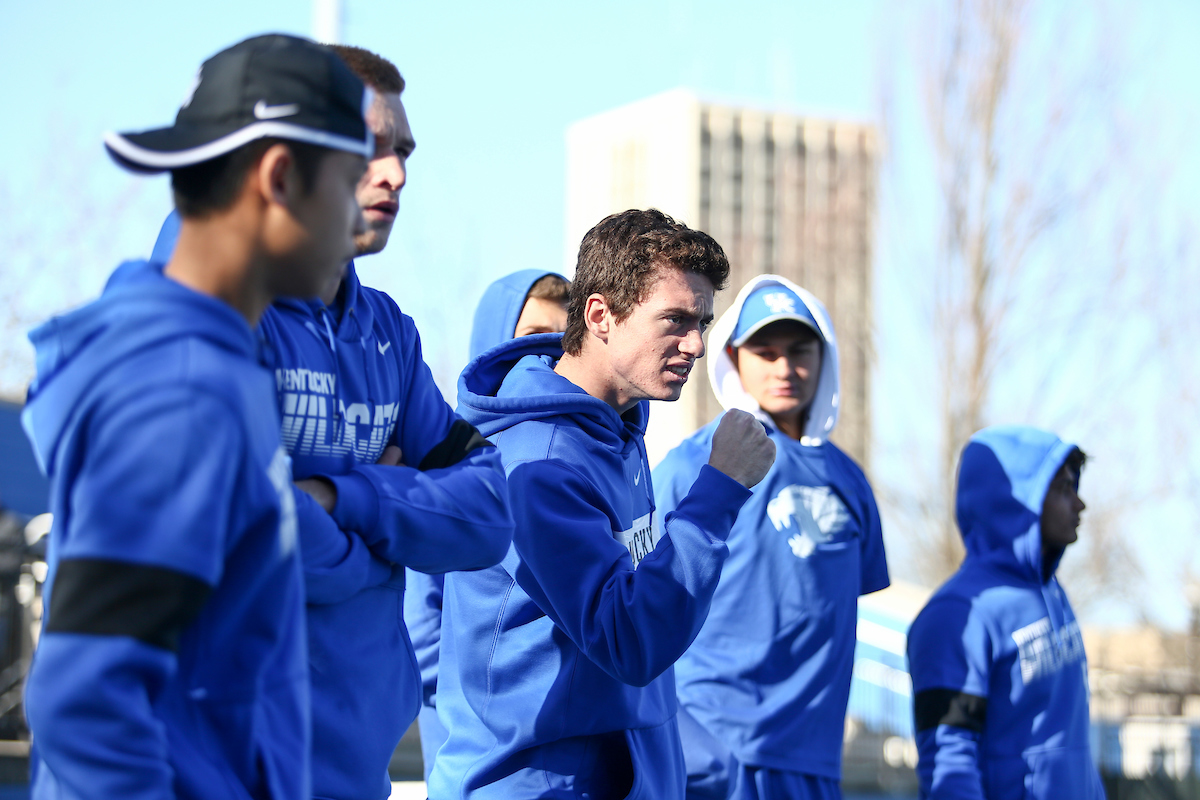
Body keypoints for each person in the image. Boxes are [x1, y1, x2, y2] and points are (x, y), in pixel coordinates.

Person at [151, 45, 515, 800]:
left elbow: (488, 513)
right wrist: (386, 543)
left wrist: (343, 497)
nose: (397, 173)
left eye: (404, 150)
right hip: (207, 766)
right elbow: (244, 531)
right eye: (370, 145)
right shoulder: (198, 305)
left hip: (349, 772)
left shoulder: (390, 331)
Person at [20, 34, 373, 799]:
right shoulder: (181, 389)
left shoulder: (207, 366)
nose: (357, 215)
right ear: (280, 178)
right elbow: (85, 703)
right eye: (349, 181)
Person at [429, 208, 777, 799]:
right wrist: (719, 489)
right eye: (674, 320)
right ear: (600, 315)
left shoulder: (616, 429)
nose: (695, 344)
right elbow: (630, 640)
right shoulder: (537, 462)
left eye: (702, 322)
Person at [653, 275, 890, 799]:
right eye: (766, 351)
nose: (784, 368)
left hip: (815, 756)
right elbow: (644, 598)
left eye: (799, 351)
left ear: (823, 356)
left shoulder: (850, 480)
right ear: (734, 357)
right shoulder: (693, 465)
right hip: (711, 752)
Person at [406, 269, 570, 781]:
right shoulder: (446, 456)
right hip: (478, 749)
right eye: (531, 336)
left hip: (555, 750)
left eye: (560, 341)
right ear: (492, 339)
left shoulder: (569, 454)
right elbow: (420, 626)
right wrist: (487, 700)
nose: (545, 353)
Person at [906, 426, 1102, 800]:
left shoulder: (1053, 593)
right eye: (1063, 489)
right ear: (1016, 501)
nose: (1080, 504)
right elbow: (949, 759)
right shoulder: (956, 614)